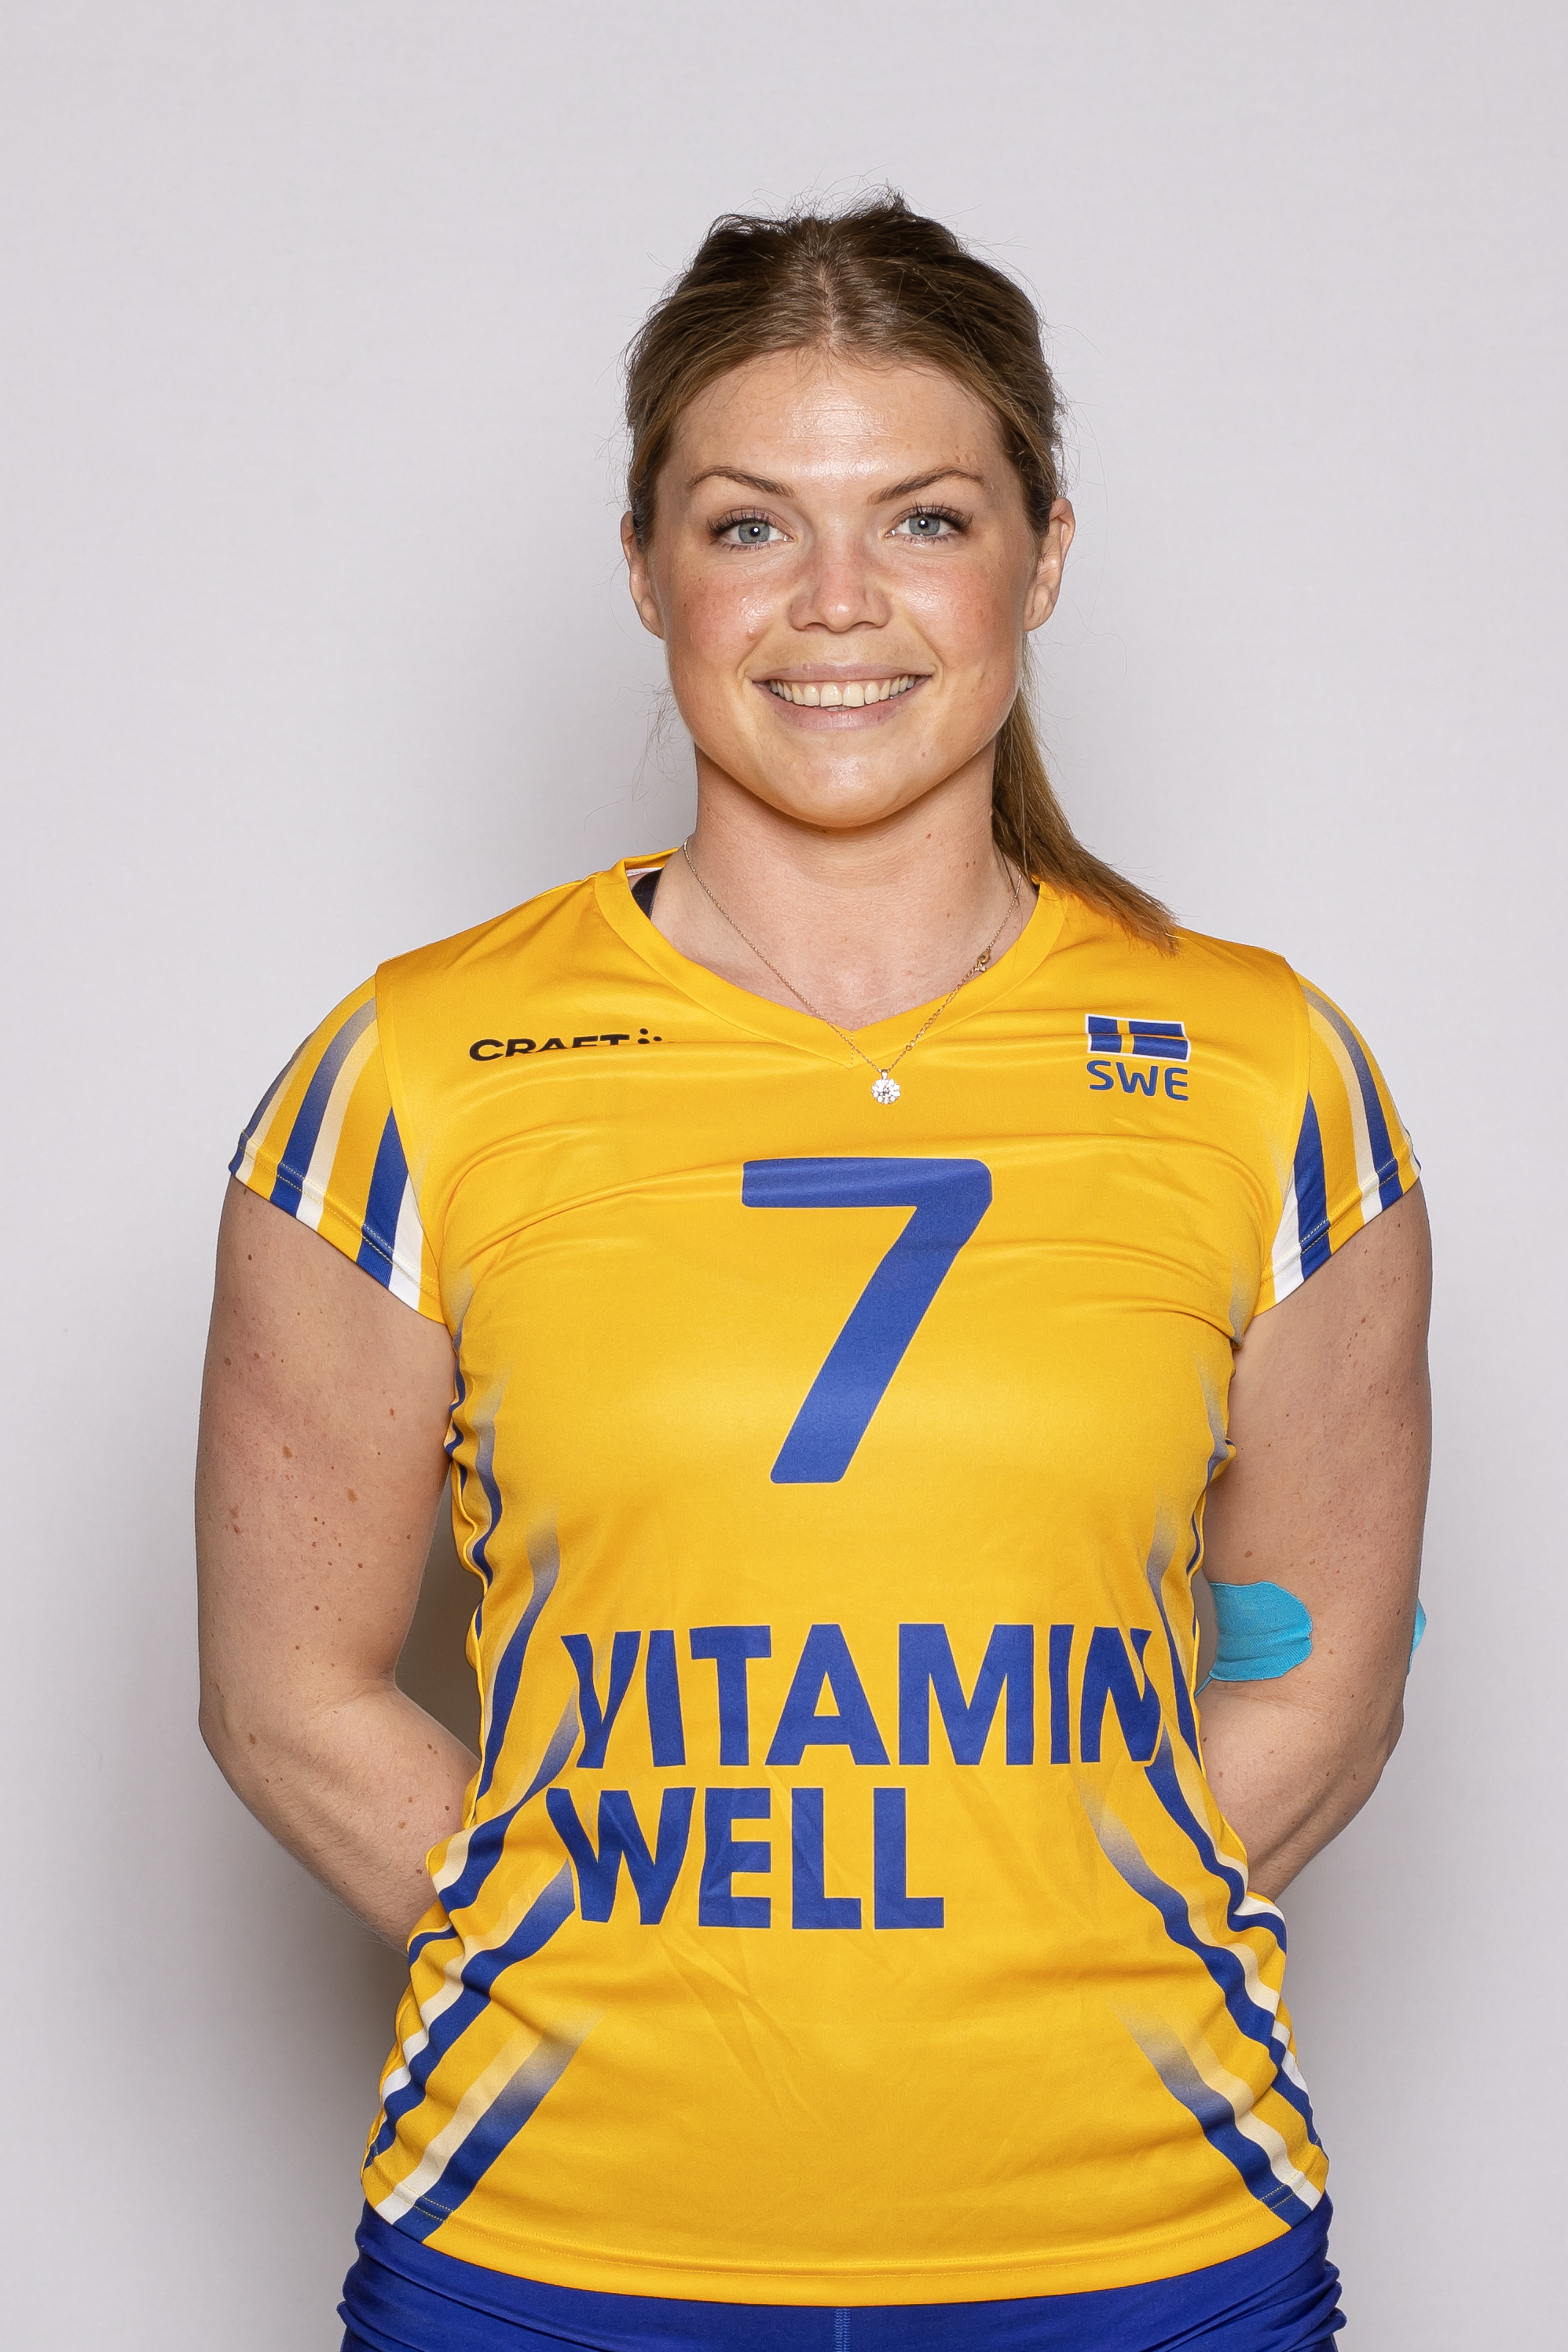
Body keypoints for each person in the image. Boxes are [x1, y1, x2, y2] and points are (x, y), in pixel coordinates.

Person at [196, 196, 1431, 2352]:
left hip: (1140, 2257)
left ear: (1041, 556)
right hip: (552, 2261)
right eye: (749, 525)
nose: (837, 602)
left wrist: (1044, 1934)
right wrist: (598, 1968)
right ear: (644, 567)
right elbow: (287, 1692)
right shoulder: (413, 1067)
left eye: (924, 519)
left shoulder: (1262, 1069)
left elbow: (1315, 1662)